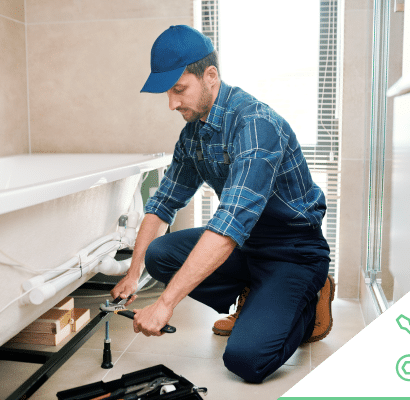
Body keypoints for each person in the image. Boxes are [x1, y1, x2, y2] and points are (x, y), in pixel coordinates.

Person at [111, 25, 335, 383]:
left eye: (179, 89)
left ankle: (311, 298)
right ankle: (254, 295)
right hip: (247, 245)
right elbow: (163, 203)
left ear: (210, 76)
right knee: (159, 255)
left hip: (291, 250)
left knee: (246, 361)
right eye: (168, 92)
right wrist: (134, 273)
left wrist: (165, 303)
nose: (171, 103)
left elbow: (230, 223)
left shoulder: (256, 124)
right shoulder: (194, 133)